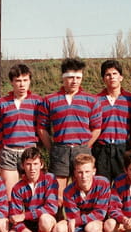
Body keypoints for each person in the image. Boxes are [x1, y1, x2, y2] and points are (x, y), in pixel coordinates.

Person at [38, 58, 102, 194]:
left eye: (78, 78)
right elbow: (42, 128)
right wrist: (52, 148)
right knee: (58, 193)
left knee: (83, 191)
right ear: (63, 77)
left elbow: (97, 128)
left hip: (82, 149)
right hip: (60, 150)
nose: (75, 81)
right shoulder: (49, 100)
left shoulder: (91, 100)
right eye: (71, 77)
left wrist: (85, 146)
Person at [0, 63, 44, 197]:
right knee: (10, 195)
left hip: (30, 151)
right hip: (9, 152)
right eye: (18, 81)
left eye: (25, 80)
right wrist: (2, 147)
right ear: (12, 82)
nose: (22, 84)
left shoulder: (38, 102)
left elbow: (42, 128)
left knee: (32, 194)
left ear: (30, 81)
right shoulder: (1, 103)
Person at [53, 153, 111, 232]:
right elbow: (74, 220)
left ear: (94, 171)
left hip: (95, 223)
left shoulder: (103, 183)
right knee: (58, 231)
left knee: (92, 228)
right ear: (75, 173)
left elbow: (99, 214)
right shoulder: (68, 191)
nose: (84, 176)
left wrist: (76, 221)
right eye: (80, 172)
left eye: (87, 172)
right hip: (78, 223)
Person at [4, 147, 59, 232]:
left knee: (45, 219)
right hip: (29, 224)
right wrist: (23, 230)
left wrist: (25, 216)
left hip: (46, 223)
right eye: (28, 164)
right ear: (23, 166)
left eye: (35, 164)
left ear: (41, 164)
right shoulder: (18, 187)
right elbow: (14, 216)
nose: (32, 168)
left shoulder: (50, 179)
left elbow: (51, 208)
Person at [93, 59, 131, 181]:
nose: (112, 77)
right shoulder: (96, 100)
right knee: (102, 184)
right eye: (108, 75)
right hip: (102, 149)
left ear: (121, 77)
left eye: (115, 74)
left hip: (123, 148)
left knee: (123, 184)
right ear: (103, 79)